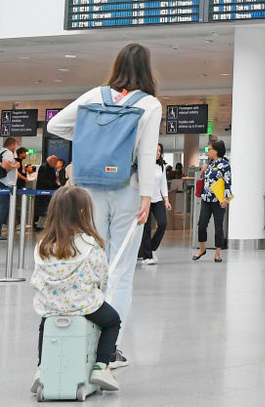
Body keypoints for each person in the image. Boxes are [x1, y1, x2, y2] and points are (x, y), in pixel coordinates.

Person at [47, 43, 162, 370]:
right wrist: (146, 198)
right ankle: (109, 351)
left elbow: (56, 126)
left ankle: (83, 339)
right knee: (121, 271)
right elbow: (145, 153)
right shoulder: (149, 104)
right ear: (147, 69)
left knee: (91, 262)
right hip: (129, 189)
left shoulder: (93, 96)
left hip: (89, 190)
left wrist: (87, 137)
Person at [31, 187, 122, 394]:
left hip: (51, 306)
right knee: (112, 322)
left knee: (45, 325)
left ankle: (42, 367)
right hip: (84, 304)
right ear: (83, 213)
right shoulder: (89, 243)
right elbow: (101, 275)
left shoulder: (43, 244)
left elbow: (37, 277)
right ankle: (101, 366)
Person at [194, 140, 231, 263]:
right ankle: (202, 249)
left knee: (218, 227)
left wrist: (225, 199)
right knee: (202, 225)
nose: (207, 152)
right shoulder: (208, 164)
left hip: (218, 200)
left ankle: (218, 253)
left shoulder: (225, 164)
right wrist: (202, 172)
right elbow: (202, 180)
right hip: (206, 199)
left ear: (216, 151)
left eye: (209, 149)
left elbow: (228, 182)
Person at [140, 144, 171, 265]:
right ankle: (147, 257)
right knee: (146, 228)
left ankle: (151, 248)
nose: (158, 153)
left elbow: (163, 183)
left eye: (160, 151)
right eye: (156, 150)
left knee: (163, 224)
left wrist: (166, 200)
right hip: (145, 199)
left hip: (157, 200)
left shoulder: (161, 166)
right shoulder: (143, 165)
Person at [33, 155, 60, 230]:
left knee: (46, 209)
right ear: (51, 161)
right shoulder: (44, 168)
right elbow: (44, 180)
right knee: (43, 209)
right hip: (44, 192)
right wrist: (54, 185)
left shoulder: (50, 168)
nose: (56, 163)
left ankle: (43, 224)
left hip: (48, 192)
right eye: (55, 161)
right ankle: (39, 225)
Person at [0, 137, 19, 237]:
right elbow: (5, 165)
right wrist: (16, 166)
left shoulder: (1, 151)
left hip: (2, 182)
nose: (15, 148)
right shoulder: (8, 152)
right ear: (12, 144)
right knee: (2, 208)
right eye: (15, 145)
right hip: (5, 183)